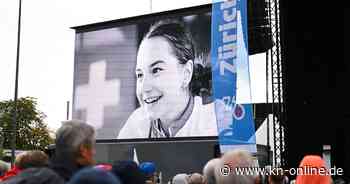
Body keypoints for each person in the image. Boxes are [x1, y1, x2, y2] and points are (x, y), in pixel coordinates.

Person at [118, 20, 217, 139]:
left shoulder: (216, 122)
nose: (144, 88)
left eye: (156, 70)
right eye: (140, 75)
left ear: (186, 74)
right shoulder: (135, 124)